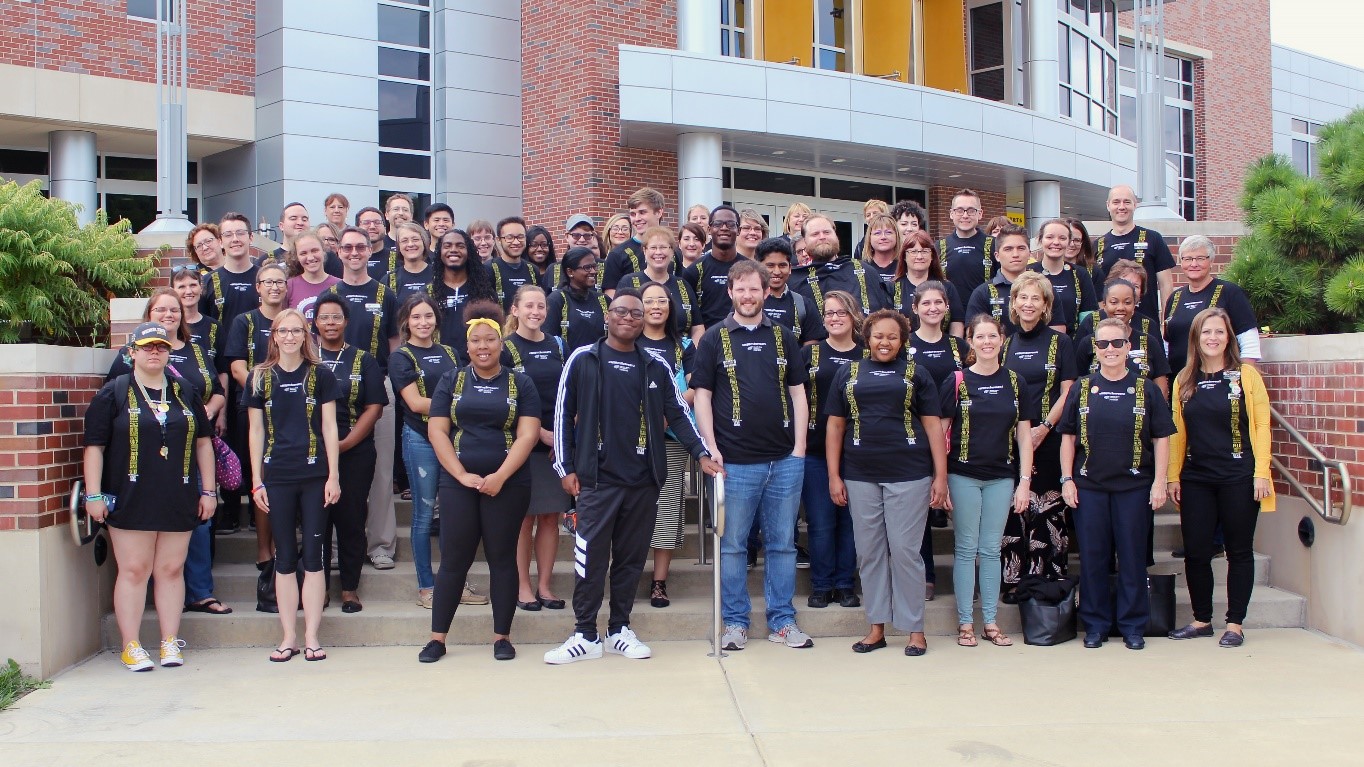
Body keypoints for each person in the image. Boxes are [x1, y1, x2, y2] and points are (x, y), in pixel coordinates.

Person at [545, 289, 721, 663]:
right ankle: (585, 634)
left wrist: (702, 453)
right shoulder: (583, 359)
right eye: (620, 311)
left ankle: (619, 629)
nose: (628, 317)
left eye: (635, 313)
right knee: (590, 558)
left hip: (642, 480)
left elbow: (678, 414)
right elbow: (562, 416)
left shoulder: (655, 365)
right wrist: (566, 467)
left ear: (643, 322)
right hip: (595, 480)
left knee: (629, 559)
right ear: (607, 316)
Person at [692, 259, 812, 651]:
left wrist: (798, 450)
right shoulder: (712, 338)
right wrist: (712, 447)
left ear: (765, 292)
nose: (747, 295)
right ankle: (735, 624)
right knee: (733, 546)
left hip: (784, 462)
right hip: (736, 464)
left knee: (782, 544)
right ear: (730, 292)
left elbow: (798, 394)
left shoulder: (783, 336)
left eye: (754, 289)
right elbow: (703, 398)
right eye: (740, 289)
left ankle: (782, 620)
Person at [84, 322, 216, 670]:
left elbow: (204, 442)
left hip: (179, 493)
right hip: (130, 494)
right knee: (134, 569)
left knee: (171, 569)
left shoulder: (184, 390)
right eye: (146, 347)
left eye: (160, 346)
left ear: (168, 351)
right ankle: (131, 645)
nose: (154, 352)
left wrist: (209, 490)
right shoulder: (114, 392)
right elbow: (94, 447)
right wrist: (94, 494)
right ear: (132, 353)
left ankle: (169, 642)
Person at [418, 302, 542, 663]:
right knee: (454, 559)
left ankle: (501, 636)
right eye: (476, 341)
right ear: (467, 346)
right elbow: (438, 430)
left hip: (508, 483)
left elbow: (528, 434)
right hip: (459, 483)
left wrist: (500, 477)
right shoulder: (451, 380)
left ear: (501, 344)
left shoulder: (521, 382)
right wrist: (461, 475)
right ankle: (437, 638)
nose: (483, 346)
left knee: (503, 559)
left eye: (490, 339)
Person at [825, 309, 947, 656]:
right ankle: (876, 627)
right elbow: (835, 427)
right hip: (861, 474)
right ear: (867, 336)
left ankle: (915, 630)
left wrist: (940, 476)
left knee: (906, 552)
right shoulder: (847, 373)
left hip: (910, 473)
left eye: (893, 336)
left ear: (902, 340)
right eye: (879, 335)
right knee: (869, 552)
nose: (885, 342)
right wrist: (834, 475)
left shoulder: (916, 374)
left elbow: (933, 426)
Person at [1059, 317, 1176, 650]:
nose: (1109, 350)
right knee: (1093, 558)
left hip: (1134, 487)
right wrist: (1067, 478)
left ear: (1128, 347)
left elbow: (1161, 438)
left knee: (1132, 556)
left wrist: (1159, 483)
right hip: (1089, 486)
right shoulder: (1081, 388)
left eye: (1116, 343)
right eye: (1102, 344)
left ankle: (1132, 625)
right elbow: (1068, 437)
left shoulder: (1146, 388)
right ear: (1095, 349)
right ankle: (1095, 625)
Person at [107, 291, 228, 615]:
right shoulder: (126, 357)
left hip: (189, 448)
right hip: (142, 459)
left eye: (174, 309)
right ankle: (148, 595)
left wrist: (207, 412)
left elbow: (217, 390)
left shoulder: (198, 351)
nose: (169, 314)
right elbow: (115, 400)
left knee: (199, 526)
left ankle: (200, 592)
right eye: (161, 309)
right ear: (149, 314)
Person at [1167, 308, 1275, 648]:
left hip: (1239, 475)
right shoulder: (1184, 379)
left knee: (1239, 552)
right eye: (1205, 333)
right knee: (1197, 552)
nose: (1212, 338)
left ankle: (1235, 624)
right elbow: (1176, 435)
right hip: (1197, 477)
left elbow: (1260, 424)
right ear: (1196, 339)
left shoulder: (1246, 376)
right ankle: (1201, 620)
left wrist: (1262, 472)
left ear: (1228, 337)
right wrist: (1173, 476)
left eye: (1219, 332)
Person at [245, 309, 342, 662]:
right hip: (278, 476)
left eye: (296, 331)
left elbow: (330, 427)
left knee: (314, 558)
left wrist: (334, 476)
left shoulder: (320, 375)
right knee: (284, 558)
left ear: (306, 335)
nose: (289, 337)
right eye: (282, 331)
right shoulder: (259, 377)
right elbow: (256, 431)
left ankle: (313, 636)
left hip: (315, 476)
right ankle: (288, 637)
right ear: (273, 335)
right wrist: (256, 480)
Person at [940, 314, 1036, 648]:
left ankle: (990, 622)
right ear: (970, 341)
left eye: (992, 336)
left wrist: (1024, 481)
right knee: (966, 549)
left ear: (1001, 339)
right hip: (963, 474)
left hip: (1001, 476)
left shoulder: (1015, 382)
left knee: (991, 550)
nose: (986, 342)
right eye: (979, 337)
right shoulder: (957, 381)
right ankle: (966, 623)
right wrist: (939, 480)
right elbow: (939, 433)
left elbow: (1024, 435)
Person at [999, 273, 1079, 595]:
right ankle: (1015, 584)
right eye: (1023, 297)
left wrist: (1043, 428)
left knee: (1048, 513)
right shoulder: (1005, 344)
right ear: (1014, 302)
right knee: (1015, 513)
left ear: (1046, 304)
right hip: (1012, 443)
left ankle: (1048, 584)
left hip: (1050, 440)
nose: (1028, 304)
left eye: (1036, 298)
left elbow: (1069, 391)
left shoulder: (1061, 343)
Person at [329, 227, 402, 572]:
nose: (355, 252)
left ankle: (381, 544)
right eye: (348, 247)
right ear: (339, 252)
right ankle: (332, 542)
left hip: (377, 388)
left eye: (361, 246)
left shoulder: (385, 294)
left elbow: (394, 344)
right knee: (330, 466)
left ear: (371, 251)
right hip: (331, 391)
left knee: (382, 470)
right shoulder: (328, 293)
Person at [313, 294, 386, 614]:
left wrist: (345, 443)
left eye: (336, 317)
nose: (330, 323)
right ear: (314, 322)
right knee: (317, 521)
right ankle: (318, 589)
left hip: (354, 451)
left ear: (346, 322)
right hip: (311, 453)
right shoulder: (305, 359)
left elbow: (374, 407)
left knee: (351, 519)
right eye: (324, 317)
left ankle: (349, 589)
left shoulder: (363, 360)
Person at [388, 294, 462, 610]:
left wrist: (460, 402)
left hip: (453, 440)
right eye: (416, 317)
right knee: (423, 515)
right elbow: (416, 403)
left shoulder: (450, 352)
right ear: (406, 321)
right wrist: (460, 404)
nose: (423, 322)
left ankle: (454, 583)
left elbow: (464, 388)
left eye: (428, 316)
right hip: (420, 439)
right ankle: (427, 587)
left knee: (454, 516)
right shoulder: (401, 356)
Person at [501, 285, 569, 613]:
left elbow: (571, 392)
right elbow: (503, 400)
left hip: (556, 445)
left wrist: (563, 436)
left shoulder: (558, 344)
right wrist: (540, 434)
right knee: (524, 519)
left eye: (540, 306)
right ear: (515, 310)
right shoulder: (504, 348)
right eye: (529, 306)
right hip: (521, 444)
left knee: (550, 518)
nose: (536, 312)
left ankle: (544, 585)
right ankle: (523, 586)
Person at [225, 260, 289, 609]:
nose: (275, 287)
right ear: (258, 287)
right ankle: (265, 554)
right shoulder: (244, 322)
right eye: (268, 282)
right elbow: (236, 366)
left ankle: (284, 554)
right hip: (254, 409)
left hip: (295, 414)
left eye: (281, 281)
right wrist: (268, 389)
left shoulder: (295, 322)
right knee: (261, 479)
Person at [634, 281, 699, 608]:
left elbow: (696, 387)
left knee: (669, 508)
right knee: (630, 507)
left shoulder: (683, 345)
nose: (656, 306)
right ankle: (628, 573)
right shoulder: (627, 341)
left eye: (662, 300)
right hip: (630, 438)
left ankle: (659, 582)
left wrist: (666, 412)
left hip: (671, 438)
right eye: (649, 301)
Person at [800, 290, 865, 609]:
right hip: (814, 449)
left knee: (851, 521)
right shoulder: (810, 354)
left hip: (857, 451)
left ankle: (845, 583)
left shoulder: (867, 355)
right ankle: (822, 584)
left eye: (841, 312)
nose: (834, 318)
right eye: (829, 313)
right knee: (821, 520)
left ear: (853, 316)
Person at [907, 281, 968, 594]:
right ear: (915, 308)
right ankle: (925, 576)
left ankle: (965, 579)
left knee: (961, 510)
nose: (933, 308)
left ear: (947, 307)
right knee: (919, 514)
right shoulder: (903, 345)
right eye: (926, 303)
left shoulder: (960, 347)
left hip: (957, 439)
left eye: (938, 303)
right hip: (915, 437)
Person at [202, 213, 258, 538]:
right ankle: (231, 510)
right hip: (224, 375)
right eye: (229, 234)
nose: (235, 239)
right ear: (220, 241)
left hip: (258, 371)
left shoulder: (263, 277)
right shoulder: (211, 282)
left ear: (251, 237)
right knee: (231, 442)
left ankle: (256, 506)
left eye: (241, 232)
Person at [1164, 235, 1260, 377]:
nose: (1194, 264)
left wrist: (1247, 378)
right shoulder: (1175, 297)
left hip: (1221, 382)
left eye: (1200, 258)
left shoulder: (1230, 292)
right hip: (1180, 382)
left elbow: (1248, 339)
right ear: (1181, 262)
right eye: (1188, 259)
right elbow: (1166, 344)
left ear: (1211, 261)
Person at [1095, 185, 1176, 327]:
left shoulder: (1153, 239)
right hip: (1110, 327)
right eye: (1116, 202)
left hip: (1147, 323)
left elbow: (1166, 285)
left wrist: (1166, 322)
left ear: (1135, 205)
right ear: (1108, 206)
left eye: (1127, 202)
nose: (1121, 207)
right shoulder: (1098, 245)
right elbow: (1096, 290)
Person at [790, 215, 887, 331]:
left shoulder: (865, 271)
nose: (822, 237)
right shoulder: (795, 280)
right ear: (805, 241)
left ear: (836, 236)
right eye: (815, 234)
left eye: (826, 232)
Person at [1077, 278, 1172, 397]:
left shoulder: (1149, 342)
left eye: (1127, 302)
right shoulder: (1088, 342)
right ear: (1104, 305)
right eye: (1114, 302)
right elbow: (1078, 385)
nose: (1120, 307)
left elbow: (1161, 388)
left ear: (1134, 305)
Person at [617, 226, 703, 342]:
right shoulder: (628, 282)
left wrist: (693, 354)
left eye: (663, 247)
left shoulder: (683, 285)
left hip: (680, 354)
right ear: (644, 251)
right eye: (653, 247)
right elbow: (618, 323)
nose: (658, 252)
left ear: (672, 251)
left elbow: (697, 327)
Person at [432, 229, 496, 361]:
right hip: (439, 366)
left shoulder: (484, 292)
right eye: (447, 246)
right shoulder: (428, 292)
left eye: (460, 246)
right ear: (439, 252)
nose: (453, 250)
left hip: (476, 365)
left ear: (469, 252)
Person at [683, 205, 750, 328]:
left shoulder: (750, 269)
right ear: (709, 229)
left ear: (739, 230)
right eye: (718, 224)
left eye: (730, 224)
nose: (724, 228)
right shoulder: (694, 271)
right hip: (706, 340)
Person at [887, 231, 965, 338]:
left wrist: (954, 349)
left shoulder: (947, 287)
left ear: (932, 255)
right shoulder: (892, 288)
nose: (919, 256)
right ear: (904, 256)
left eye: (924, 251)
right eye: (913, 251)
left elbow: (956, 322)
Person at [1028, 219, 1097, 336]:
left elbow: (1088, 321)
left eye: (1062, 238)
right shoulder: (1027, 273)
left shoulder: (1081, 275)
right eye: (1049, 237)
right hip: (1032, 345)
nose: (1056, 242)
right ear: (1040, 240)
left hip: (1072, 348)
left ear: (1069, 241)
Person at [603, 187, 674, 294]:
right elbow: (611, 297)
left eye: (642, 212)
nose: (637, 219)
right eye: (633, 214)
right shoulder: (617, 255)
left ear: (659, 212)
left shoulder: (673, 252)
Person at [966, 224, 1031, 336]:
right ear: (997, 256)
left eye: (1021, 248)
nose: (1015, 254)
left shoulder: (1044, 289)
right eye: (1008, 249)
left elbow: (1055, 333)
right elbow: (973, 335)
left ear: (1030, 253)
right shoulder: (982, 293)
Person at [938, 189, 997, 303]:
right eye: (959, 210)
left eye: (971, 210)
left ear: (980, 214)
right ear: (951, 213)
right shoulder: (938, 247)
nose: (965, 215)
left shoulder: (995, 244)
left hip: (985, 315)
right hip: (948, 316)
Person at [758, 237, 820, 344]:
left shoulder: (804, 305)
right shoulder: (747, 301)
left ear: (790, 268)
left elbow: (811, 350)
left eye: (782, 265)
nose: (776, 271)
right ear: (758, 267)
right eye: (770, 265)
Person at [547, 247, 609, 351]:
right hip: (569, 364)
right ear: (570, 272)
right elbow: (548, 337)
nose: (593, 271)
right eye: (587, 268)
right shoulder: (557, 299)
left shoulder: (603, 300)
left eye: (594, 266)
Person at [284, 232, 340, 320]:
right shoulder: (289, 286)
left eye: (315, 250)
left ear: (323, 251)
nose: (310, 257)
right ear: (296, 257)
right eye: (303, 253)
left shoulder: (339, 285)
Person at [489, 216, 538, 311]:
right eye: (509, 237)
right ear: (499, 240)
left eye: (520, 237)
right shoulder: (489, 269)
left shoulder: (533, 270)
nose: (516, 242)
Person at [388, 221, 434, 296]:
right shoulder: (389, 280)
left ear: (424, 242)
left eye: (415, 239)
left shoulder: (438, 275)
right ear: (398, 246)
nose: (410, 244)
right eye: (404, 241)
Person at [861, 213, 902, 286]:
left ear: (897, 236)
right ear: (869, 238)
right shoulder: (862, 269)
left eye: (888, 232)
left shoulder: (905, 266)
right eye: (877, 233)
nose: (883, 237)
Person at [356, 207, 396, 280]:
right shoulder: (348, 258)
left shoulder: (398, 259)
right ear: (357, 228)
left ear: (384, 227)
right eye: (366, 223)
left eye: (377, 222)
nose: (372, 227)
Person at [525, 225, 561, 290]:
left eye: (544, 245)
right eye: (534, 245)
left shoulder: (558, 273)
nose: (539, 249)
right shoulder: (522, 273)